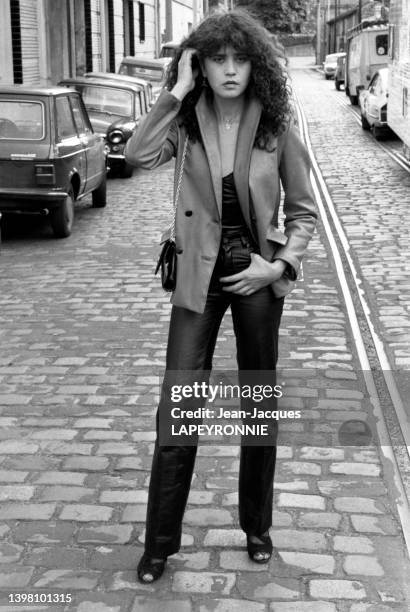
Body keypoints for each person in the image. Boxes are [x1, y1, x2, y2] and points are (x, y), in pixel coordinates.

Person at [124, 9, 317, 583]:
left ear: (254, 65)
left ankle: (257, 528)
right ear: (200, 64)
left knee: (258, 406)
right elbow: (135, 157)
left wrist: (276, 264)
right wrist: (174, 92)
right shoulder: (184, 123)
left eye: (240, 59)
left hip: (255, 274)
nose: (230, 70)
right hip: (197, 278)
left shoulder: (276, 126)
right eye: (217, 59)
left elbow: (304, 213)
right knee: (177, 409)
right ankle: (159, 544)